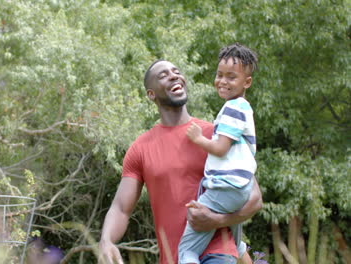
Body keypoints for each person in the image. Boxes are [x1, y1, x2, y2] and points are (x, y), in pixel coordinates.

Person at [98, 58, 262, 264]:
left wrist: (217, 220)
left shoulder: (216, 136)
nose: (174, 75)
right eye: (163, 75)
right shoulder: (140, 149)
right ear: (151, 94)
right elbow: (121, 208)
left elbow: (254, 198)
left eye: (176, 71)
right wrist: (106, 240)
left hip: (217, 253)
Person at [178, 43, 259, 264]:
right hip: (239, 188)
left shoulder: (235, 107)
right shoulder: (240, 107)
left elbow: (221, 148)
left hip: (225, 188)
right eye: (219, 74)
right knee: (237, 243)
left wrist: (198, 139)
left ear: (247, 82)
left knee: (186, 251)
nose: (222, 81)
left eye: (231, 77)